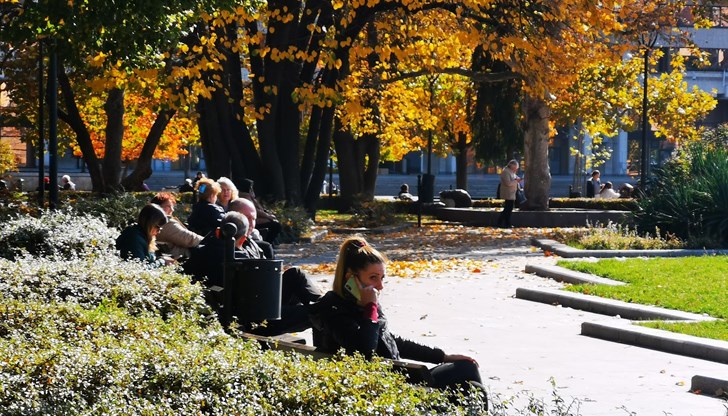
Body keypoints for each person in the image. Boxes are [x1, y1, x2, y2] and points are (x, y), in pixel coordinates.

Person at [309, 236, 485, 396]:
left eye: (382, 278)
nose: (380, 286)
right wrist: (370, 308)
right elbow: (364, 352)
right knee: (471, 386)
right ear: (350, 277)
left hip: (397, 377)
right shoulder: (333, 309)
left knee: (468, 371)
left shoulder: (365, 304)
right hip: (384, 388)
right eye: (373, 278)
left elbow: (391, 341)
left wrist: (442, 356)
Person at [184, 210, 322, 335]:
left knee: (295, 274)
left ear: (218, 231)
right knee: (322, 312)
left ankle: (321, 303)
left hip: (247, 308)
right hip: (258, 320)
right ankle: (323, 306)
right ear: (243, 239)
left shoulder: (199, 252)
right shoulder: (244, 263)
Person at [150, 192, 204, 259]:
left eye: (172, 206)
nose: (172, 209)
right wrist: (207, 241)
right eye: (168, 206)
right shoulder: (167, 224)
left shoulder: (153, 222)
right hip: (181, 258)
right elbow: (188, 238)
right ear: (158, 208)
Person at [239, 178, 282, 244]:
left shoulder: (249, 196)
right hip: (249, 220)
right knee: (275, 225)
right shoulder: (244, 196)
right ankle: (267, 242)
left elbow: (259, 208)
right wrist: (268, 216)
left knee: (274, 222)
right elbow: (254, 210)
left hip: (254, 218)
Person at [497, 160, 522, 228]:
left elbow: (515, 180)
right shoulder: (506, 172)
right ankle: (502, 222)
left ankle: (505, 223)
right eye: (515, 168)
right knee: (508, 209)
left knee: (508, 209)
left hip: (511, 193)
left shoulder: (511, 172)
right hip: (508, 193)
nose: (516, 170)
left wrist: (518, 181)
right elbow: (508, 183)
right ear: (512, 166)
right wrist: (516, 181)